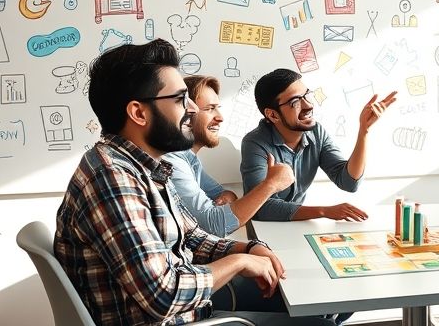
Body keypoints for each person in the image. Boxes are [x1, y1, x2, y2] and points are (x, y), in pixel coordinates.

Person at [54, 40, 330, 326]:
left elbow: (192, 237)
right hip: (175, 318)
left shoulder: (146, 167)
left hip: (190, 311)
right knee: (317, 319)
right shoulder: (112, 178)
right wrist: (238, 262)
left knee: (314, 297)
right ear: (138, 113)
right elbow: (164, 295)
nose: (192, 110)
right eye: (179, 99)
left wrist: (246, 249)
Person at [241, 68, 397, 221]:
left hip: (296, 228)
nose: (308, 105)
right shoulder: (255, 143)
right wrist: (324, 211)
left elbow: (349, 182)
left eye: (307, 95)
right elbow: (261, 208)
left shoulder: (316, 132)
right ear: (273, 114)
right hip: (266, 231)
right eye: (295, 101)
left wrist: (364, 130)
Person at [164, 75, 296, 237]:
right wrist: (271, 184)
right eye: (210, 108)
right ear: (186, 112)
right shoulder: (171, 161)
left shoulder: (190, 159)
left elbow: (221, 193)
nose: (220, 117)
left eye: (217, 107)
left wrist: (230, 196)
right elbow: (215, 224)